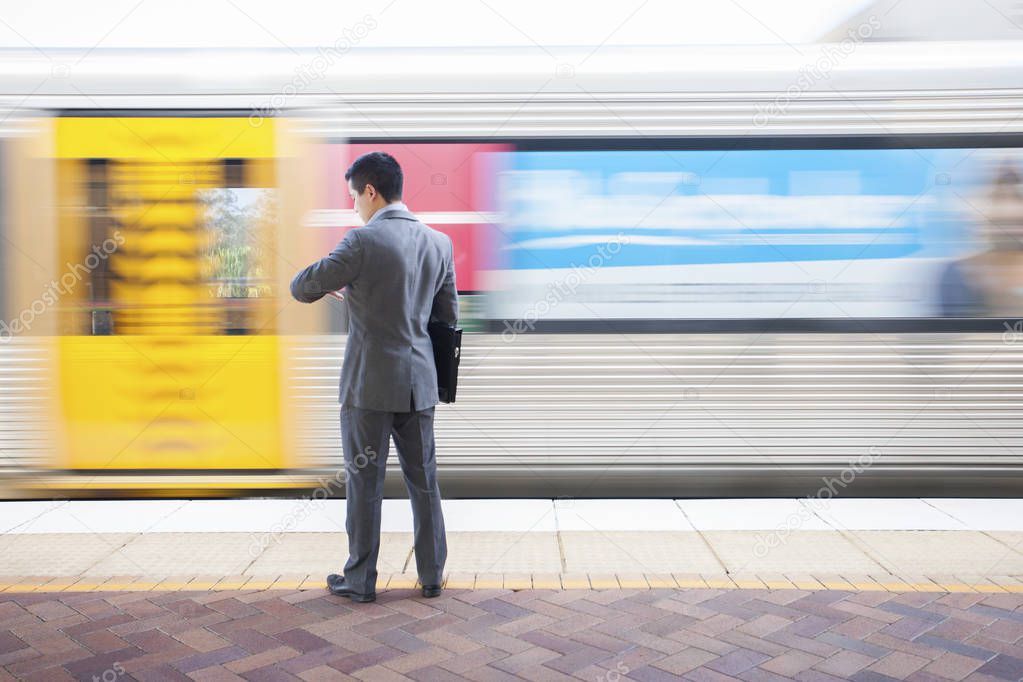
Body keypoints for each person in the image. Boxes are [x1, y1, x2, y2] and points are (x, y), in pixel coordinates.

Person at [290, 151, 457, 602]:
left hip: (368, 387)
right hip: (419, 384)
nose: (354, 208)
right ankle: (432, 575)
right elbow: (446, 320)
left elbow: (302, 286)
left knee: (365, 484)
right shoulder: (439, 243)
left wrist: (342, 286)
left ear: (371, 191)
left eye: (354, 197)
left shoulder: (361, 242)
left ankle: (361, 581)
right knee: (424, 481)